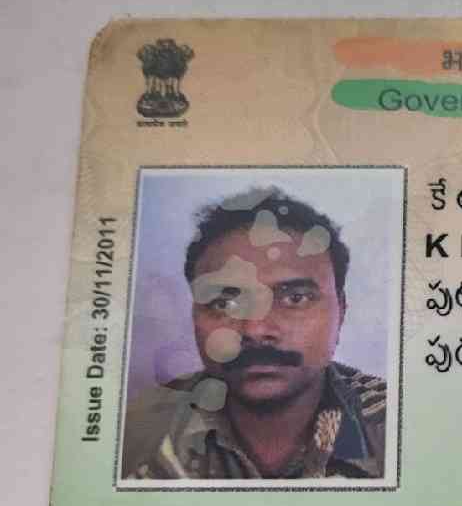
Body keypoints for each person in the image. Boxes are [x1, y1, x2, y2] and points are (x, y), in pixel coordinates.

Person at [122, 188, 387, 480]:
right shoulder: (131, 432)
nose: (255, 330)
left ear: (341, 310)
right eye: (225, 303)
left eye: (295, 298)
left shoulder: (402, 425)